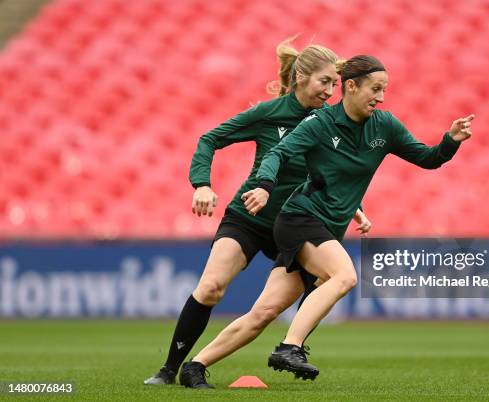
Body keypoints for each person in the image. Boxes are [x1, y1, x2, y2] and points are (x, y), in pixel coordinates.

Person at [144, 39, 372, 388]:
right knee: (210, 288)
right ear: (300, 76)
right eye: (323, 82)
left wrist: (350, 207)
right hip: (249, 218)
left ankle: (204, 364)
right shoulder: (269, 114)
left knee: (269, 310)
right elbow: (209, 139)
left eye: (334, 83)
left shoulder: (331, 123)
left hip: (297, 227)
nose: (330, 91)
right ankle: (167, 369)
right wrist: (202, 184)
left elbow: (329, 171)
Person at [243, 55, 474, 380]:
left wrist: (450, 141)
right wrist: (265, 186)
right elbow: (278, 152)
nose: (380, 97)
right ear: (350, 86)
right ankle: (289, 347)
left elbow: (427, 158)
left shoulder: (385, 125)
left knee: (265, 310)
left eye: (384, 90)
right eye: (375, 89)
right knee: (345, 276)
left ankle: (194, 365)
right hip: (299, 216)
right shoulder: (320, 122)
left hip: (324, 224)